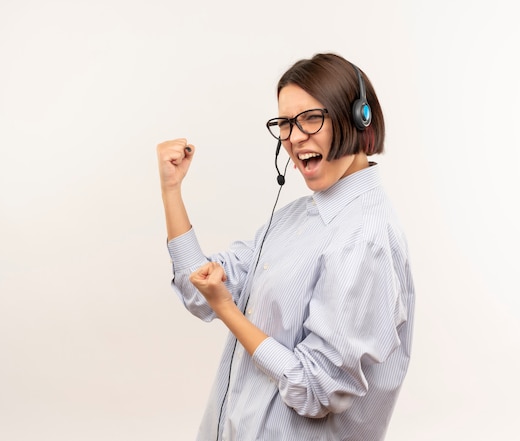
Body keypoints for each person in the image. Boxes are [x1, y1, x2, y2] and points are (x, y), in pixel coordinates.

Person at [156, 52, 415, 441]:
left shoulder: (365, 238)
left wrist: (228, 310)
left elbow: (316, 389)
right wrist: (171, 189)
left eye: (311, 118)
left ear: (358, 117)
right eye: (285, 123)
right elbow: (200, 291)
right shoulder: (295, 218)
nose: (293, 137)